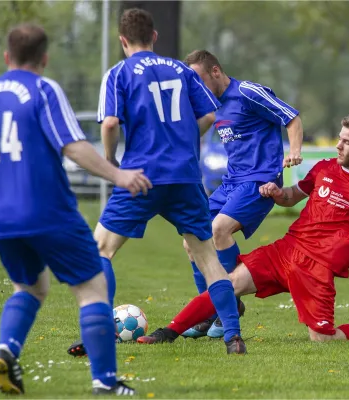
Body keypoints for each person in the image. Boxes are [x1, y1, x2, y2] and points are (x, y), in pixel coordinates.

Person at [0, 23, 149, 395]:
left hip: (0, 217)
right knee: (92, 289)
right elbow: (73, 146)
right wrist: (119, 175)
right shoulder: (43, 90)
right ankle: (105, 383)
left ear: (5, 56)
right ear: (44, 58)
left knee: (30, 288)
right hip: (47, 210)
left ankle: (6, 349)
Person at [137, 114, 349, 345]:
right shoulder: (324, 168)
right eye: (339, 139)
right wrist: (276, 192)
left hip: (318, 267)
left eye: (347, 142)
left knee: (323, 339)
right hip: (287, 250)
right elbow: (292, 196)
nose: (339, 146)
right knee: (229, 283)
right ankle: (169, 332)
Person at [67, 8, 245, 357]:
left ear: (122, 40)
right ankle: (233, 337)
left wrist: (112, 163)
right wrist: (181, 141)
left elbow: (109, 124)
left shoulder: (119, 72)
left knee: (101, 250)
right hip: (184, 177)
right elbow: (209, 114)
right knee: (208, 259)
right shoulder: (182, 69)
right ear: (155, 37)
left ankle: (98, 335)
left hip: (139, 176)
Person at [179, 50, 304, 339]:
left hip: (260, 181)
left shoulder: (247, 92)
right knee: (192, 239)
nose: (195, 86)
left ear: (215, 71)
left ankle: (227, 308)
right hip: (232, 181)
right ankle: (212, 309)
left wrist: (294, 150)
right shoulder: (209, 107)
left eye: (198, 78)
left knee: (219, 229)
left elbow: (292, 118)